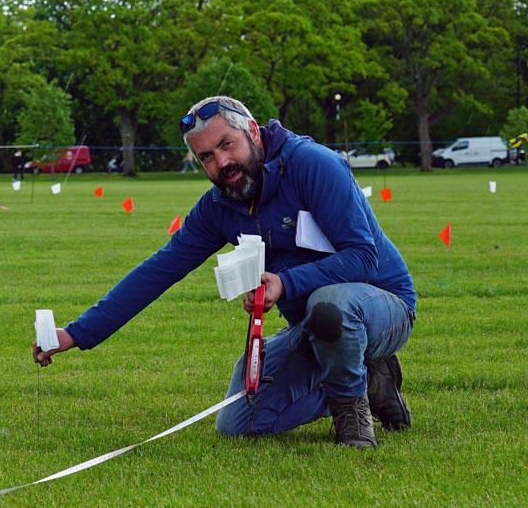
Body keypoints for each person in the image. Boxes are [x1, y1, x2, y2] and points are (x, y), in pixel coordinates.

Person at [32, 96, 416, 448]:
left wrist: (286, 283)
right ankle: (367, 376)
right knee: (240, 423)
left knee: (331, 304)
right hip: (312, 327)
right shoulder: (219, 206)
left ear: (251, 131)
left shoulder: (312, 164)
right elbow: (159, 270)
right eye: (206, 158)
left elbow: (364, 255)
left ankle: (352, 411)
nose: (220, 164)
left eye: (226, 145)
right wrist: (77, 333)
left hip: (381, 306)